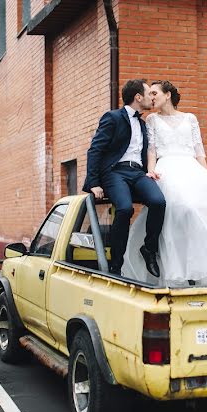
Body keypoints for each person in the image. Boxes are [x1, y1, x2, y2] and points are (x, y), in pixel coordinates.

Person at [122, 81, 207, 287]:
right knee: (184, 208)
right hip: (167, 168)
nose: (152, 97)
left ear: (168, 95)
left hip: (191, 168)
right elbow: (152, 150)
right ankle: (173, 266)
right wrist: (151, 170)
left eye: (156, 93)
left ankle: (205, 261)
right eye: (151, 94)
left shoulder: (190, 118)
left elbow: (199, 150)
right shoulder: (152, 120)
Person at [82, 79, 166, 277]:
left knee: (158, 201)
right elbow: (95, 149)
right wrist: (93, 183)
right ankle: (116, 265)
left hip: (138, 173)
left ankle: (149, 250)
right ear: (138, 97)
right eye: (148, 94)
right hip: (115, 172)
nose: (151, 99)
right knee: (125, 208)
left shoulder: (144, 124)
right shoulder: (112, 118)